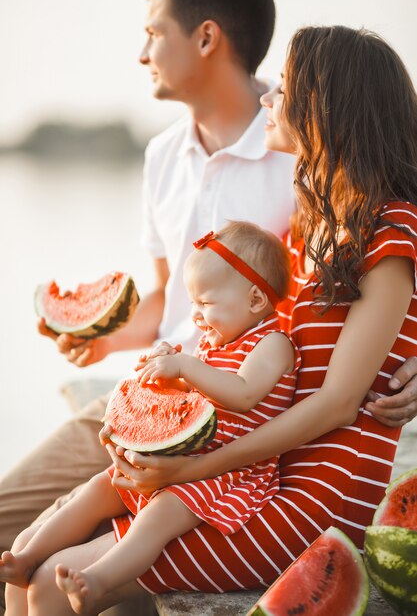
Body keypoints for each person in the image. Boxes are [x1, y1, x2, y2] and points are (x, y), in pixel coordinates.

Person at [0, 0, 416, 609]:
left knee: (57, 579)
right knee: (44, 560)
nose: (270, 96)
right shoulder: (304, 226)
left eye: (286, 90)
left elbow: (339, 394)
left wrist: (188, 469)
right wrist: (108, 341)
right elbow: (197, 300)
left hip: (294, 478)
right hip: (218, 428)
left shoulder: (377, 224)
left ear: (325, 109)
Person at [2, 221, 299, 614]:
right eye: (191, 304)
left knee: (157, 519)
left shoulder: (272, 343)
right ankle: (27, 558)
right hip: (184, 458)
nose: (195, 316)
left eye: (205, 304)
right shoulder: (214, 345)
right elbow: (196, 401)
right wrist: (163, 375)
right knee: (97, 489)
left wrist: (185, 367)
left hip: (226, 475)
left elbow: (243, 394)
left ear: (256, 299)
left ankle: (99, 579)